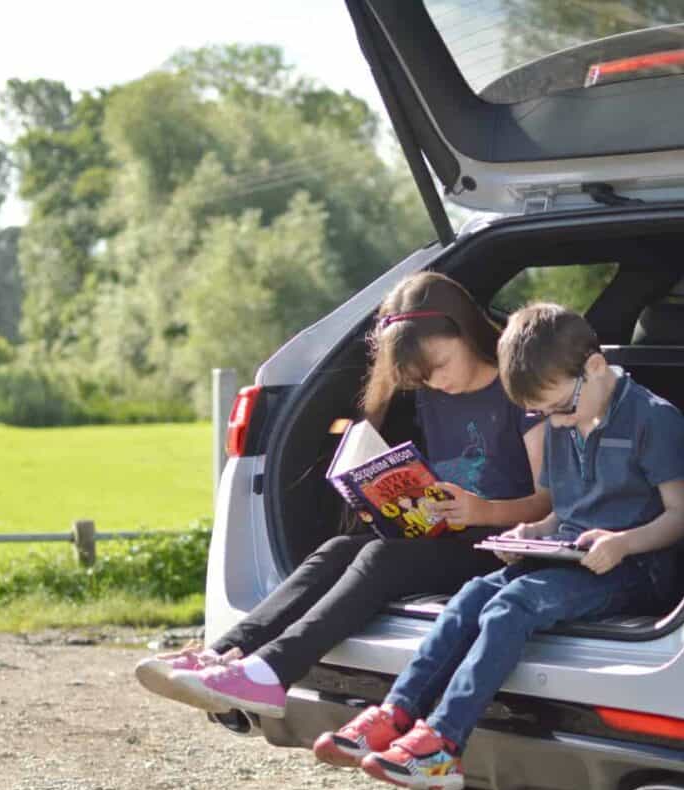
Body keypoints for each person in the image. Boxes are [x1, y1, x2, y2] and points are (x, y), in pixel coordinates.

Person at [134, 272, 551, 758]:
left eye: (439, 366)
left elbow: (550, 501)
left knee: (379, 559)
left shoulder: (517, 391)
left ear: (465, 332)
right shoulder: (436, 396)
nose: (436, 383)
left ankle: (269, 672)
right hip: (447, 534)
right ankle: (223, 653)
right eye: (422, 379)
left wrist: (485, 510)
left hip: (501, 547)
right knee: (337, 549)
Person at [319, 302, 684, 790]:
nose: (556, 423)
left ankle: (443, 744)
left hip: (630, 567)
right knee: (470, 598)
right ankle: (395, 712)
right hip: (566, 557)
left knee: (509, 607)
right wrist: (531, 534)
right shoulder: (563, 418)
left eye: (560, 408)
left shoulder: (654, 418)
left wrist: (623, 543)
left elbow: (680, 517)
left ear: (595, 367)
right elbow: (563, 510)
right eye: (543, 413)